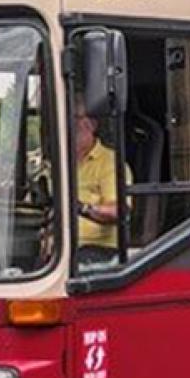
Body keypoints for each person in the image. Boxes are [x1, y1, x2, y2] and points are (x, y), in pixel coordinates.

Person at [74, 113, 133, 267]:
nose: (67, 124)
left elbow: (119, 211)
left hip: (97, 250)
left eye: (74, 118)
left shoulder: (110, 163)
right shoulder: (58, 163)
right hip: (56, 248)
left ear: (92, 125)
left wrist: (82, 208)